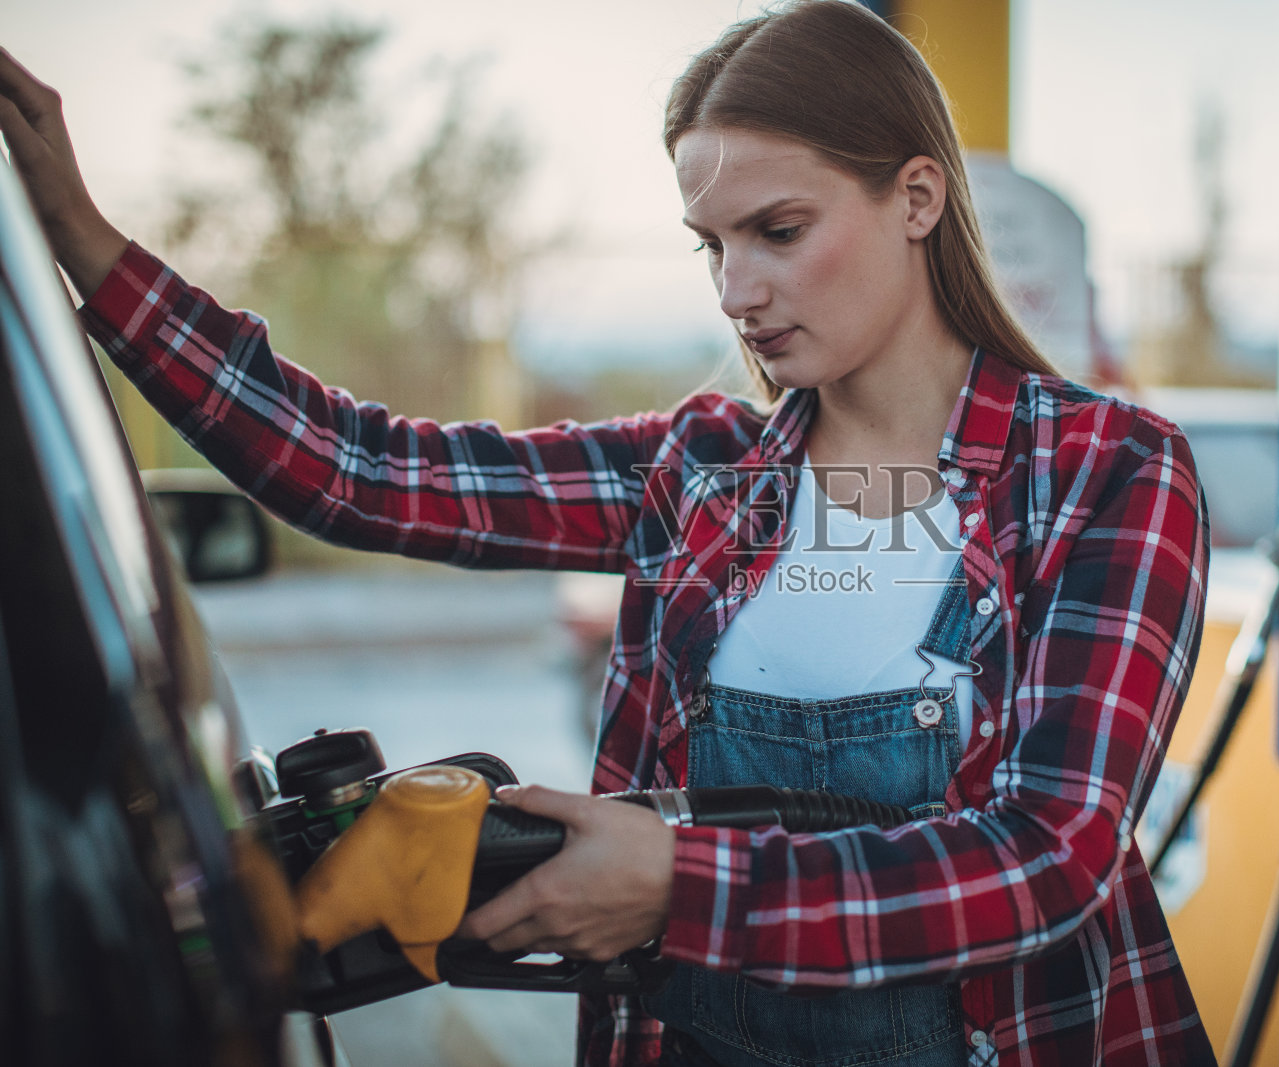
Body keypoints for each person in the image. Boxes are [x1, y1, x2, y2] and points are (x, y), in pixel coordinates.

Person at [0, 2, 1214, 1063]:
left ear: (915, 197)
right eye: (712, 244)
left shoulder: (1103, 472)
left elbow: (1043, 857)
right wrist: (84, 245)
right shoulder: (700, 470)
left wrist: (674, 885)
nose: (736, 291)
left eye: (777, 230)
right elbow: (361, 473)